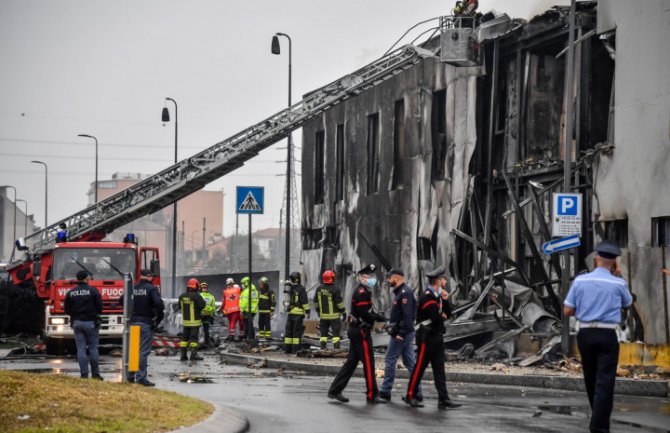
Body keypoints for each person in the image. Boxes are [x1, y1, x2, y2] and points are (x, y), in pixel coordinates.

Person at [564, 241, 633, 433]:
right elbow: (628, 303)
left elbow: (568, 309)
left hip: (585, 333)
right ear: (614, 262)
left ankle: (598, 419)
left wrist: (585, 307)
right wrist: (618, 276)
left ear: (596, 259)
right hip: (607, 334)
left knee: (591, 377)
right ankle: (599, 425)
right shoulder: (618, 283)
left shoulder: (580, 281)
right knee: (605, 380)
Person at [327, 264, 387, 404]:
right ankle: (372, 394)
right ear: (361, 277)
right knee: (368, 362)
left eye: (372, 276)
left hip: (356, 330)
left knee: (351, 363)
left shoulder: (364, 291)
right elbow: (365, 314)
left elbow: (366, 312)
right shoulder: (362, 293)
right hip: (361, 332)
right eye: (368, 276)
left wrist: (378, 316)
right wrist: (378, 318)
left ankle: (334, 391)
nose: (371, 279)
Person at [404, 266, 461, 410]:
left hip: (437, 337)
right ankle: (410, 395)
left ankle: (444, 399)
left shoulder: (439, 296)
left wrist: (446, 301)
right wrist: (440, 316)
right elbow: (436, 317)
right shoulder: (427, 295)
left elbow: (448, 314)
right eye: (444, 279)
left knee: (439, 370)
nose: (446, 280)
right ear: (438, 281)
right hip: (426, 338)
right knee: (419, 368)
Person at [379, 268, 421, 402]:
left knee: (390, 358)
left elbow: (408, 316)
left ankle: (385, 391)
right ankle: (417, 392)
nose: (387, 280)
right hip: (402, 332)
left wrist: (401, 333)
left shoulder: (405, 293)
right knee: (410, 363)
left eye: (389, 278)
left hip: (402, 333)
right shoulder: (401, 293)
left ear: (396, 278)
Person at [119, 269, 164, 386]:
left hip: (134, 322)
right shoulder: (151, 289)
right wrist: (158, 319)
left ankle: (130, 376)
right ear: (149, 277)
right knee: (143, 351)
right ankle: (141, 377)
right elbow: (159, 304)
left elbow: (121, 300)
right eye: (152, 276)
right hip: (145, 322)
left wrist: (131, 310)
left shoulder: (133, 288)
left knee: (134, 350)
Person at [64, 270, 103, 380]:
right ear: (87, 278)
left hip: (77, 323)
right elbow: (100, 308)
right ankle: (95, 374)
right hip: (90, 323)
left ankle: (84, 375)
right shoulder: (93, 291)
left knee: (81, 349)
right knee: (93, 348)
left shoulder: (71, 292)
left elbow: (66, 309)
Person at [313, 269, 345, 349]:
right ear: (332, 278)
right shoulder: (335, 289)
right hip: (334, 317)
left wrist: (318, 311)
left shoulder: (319, 288)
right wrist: (343, 311)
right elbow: (339, 303)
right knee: (335, 334)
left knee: (323, 334)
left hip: (323, 316)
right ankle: (336, 349)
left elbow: (315, 301)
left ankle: (322, 348)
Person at [179, 278, 206, 361]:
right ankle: (193, 355)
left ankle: (183, 355)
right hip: (194, 322)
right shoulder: (196, 296)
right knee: (194, 339)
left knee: (184, 339)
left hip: (185, 322)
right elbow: (202, 305)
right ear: (196, 286)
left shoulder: (182, 296)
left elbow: (180, 307)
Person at [283, 271, 310, 354]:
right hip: (298, 313)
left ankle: (287, 350)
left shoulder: (289, 288)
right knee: (296, 332)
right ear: (298, 279)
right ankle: (295, 350)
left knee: (289, 332)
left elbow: (286, 301)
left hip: (290, 313)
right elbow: (304, 302)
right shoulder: (301, 289)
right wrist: (308, 311)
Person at [239, 276, 259, 341]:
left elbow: (244, 302)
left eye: (243, 283)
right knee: (250, 324)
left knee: (247, 324)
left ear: (246, 283)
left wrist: (241, 310)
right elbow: (257, 301)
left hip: (247, 310)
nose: (242, 285)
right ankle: (249, 337)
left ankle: (249, 337)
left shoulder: (246, 291)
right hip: (253, 311)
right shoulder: (255, 291)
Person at [199, 281, 216, 347]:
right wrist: (211, 316)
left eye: (204, 288)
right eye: (204, 288)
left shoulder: (199, 295)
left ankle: (199, 342)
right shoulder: (211, 296)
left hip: (201, 315)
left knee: (199, 329)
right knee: (206, 330)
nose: (204, 289)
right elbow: (213, 307)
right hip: (207, 315)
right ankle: (206, 342)